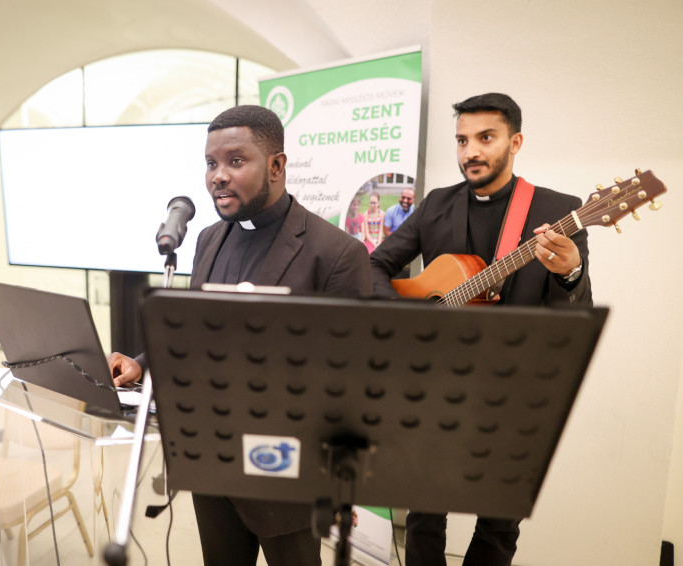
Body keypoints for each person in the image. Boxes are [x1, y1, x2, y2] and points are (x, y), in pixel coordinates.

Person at [109, 104, 372, 566]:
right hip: (211, 461)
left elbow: (349, 380)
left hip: (285, 475)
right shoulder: (209, 239)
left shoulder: (335, 254)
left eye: (235, 161)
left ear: (276, 166)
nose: (218, 176)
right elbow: (198, 335)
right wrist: (141, 364)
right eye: (211, 163)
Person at [370, 93, 592, 566]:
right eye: (462, 140)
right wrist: (407, 319)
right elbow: (374, 266)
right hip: (434, 385)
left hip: (513, 391)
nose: (470, 151)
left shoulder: (558, 211)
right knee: (424, 510)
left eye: (485, 138)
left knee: (499, 522)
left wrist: (570, 272)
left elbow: (574, 316)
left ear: (515, 142)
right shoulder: (436, 204)